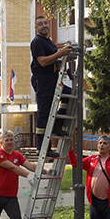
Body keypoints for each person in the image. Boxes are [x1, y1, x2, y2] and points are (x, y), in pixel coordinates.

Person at [30, 15, 73, 156]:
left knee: (70, 95)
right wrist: (60, 53)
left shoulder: (49, 42)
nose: (44, 26)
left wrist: (65, 58)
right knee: (44, 114)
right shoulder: (37, 42)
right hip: (43, 82)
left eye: (45, 23)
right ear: (36, 28)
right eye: (40, 24)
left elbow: (54, 62)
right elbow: (42, 61)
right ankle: (43, 148)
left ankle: (57, 125)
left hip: (53, 80)